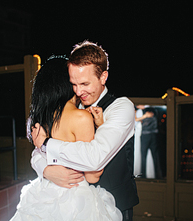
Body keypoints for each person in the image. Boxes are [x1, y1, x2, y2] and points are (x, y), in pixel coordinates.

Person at [30, 40, 138, 221]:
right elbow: (36, 150)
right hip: (74, 208)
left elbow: (95, 157)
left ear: (103, 77)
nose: (79, 91)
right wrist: (45, 170)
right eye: (74, 84)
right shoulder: (72, 108)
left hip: (116, 205)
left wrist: (47, 144)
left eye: (85, 84)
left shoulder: (121, 107)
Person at [12, 56, 120, 220]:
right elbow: (92, 175)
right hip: (77, 202)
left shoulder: (43, 117)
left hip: (42, 196)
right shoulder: (81, 117)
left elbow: (37, 154)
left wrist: (47, 170)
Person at [135, 105, 160, 178]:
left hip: (146, 134)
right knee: (151, 156)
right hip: (151, 134)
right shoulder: (153, 109)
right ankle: (155, 175)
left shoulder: (147, 110)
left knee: (145, 155)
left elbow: (136, 120)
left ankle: (146, 175)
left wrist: (144, 116)